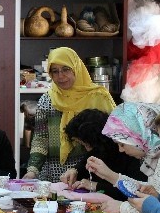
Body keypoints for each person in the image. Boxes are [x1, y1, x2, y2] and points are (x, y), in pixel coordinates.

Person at [87, 102, 160, 213]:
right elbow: (158, 196)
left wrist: (122, 208)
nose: (121, 150)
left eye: (122, 143)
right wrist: (109, 175)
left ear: (140, 136)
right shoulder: (156, 157)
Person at [23, 47, 116, 182]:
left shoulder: (98, 97)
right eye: (55, 71)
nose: (60, 76)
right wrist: (32, 170)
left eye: (66, 69)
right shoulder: (47, 100)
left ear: (76, 68)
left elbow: (110, 141)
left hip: (89, 175)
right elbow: (40, 139)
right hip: (51, 176)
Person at [60, 108, 146, 201]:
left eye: (86, 144)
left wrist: (96, 185)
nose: (86, 149)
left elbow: (136, 192)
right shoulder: (99, 150)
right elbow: (84, 166)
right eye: (82, 144)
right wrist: (74, 170)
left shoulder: (131, 155)